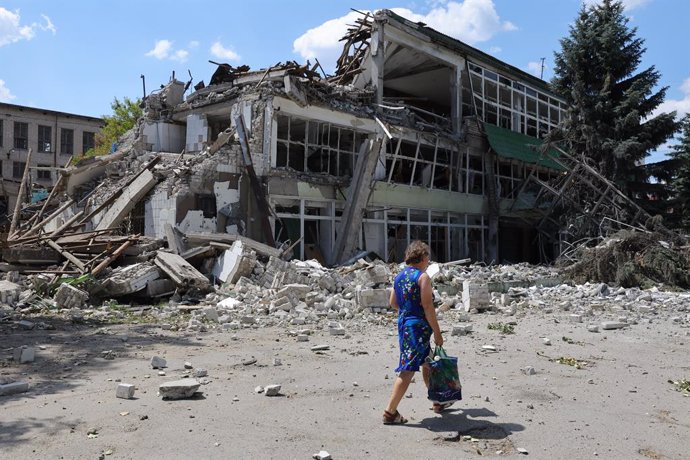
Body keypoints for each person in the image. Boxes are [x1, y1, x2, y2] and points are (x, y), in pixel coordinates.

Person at [382, 240, 445, 425]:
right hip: (417, 328)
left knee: (427, 362)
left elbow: (394, 303)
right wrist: (437, 333)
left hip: (404, 325)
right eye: (428, 257)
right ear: (423, 257)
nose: (428, 261)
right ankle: (390, 412)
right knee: (408, 369)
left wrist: (408, 310)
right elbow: (428, 307)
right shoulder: (422, 277)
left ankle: (437, 401)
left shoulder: (399, 276)